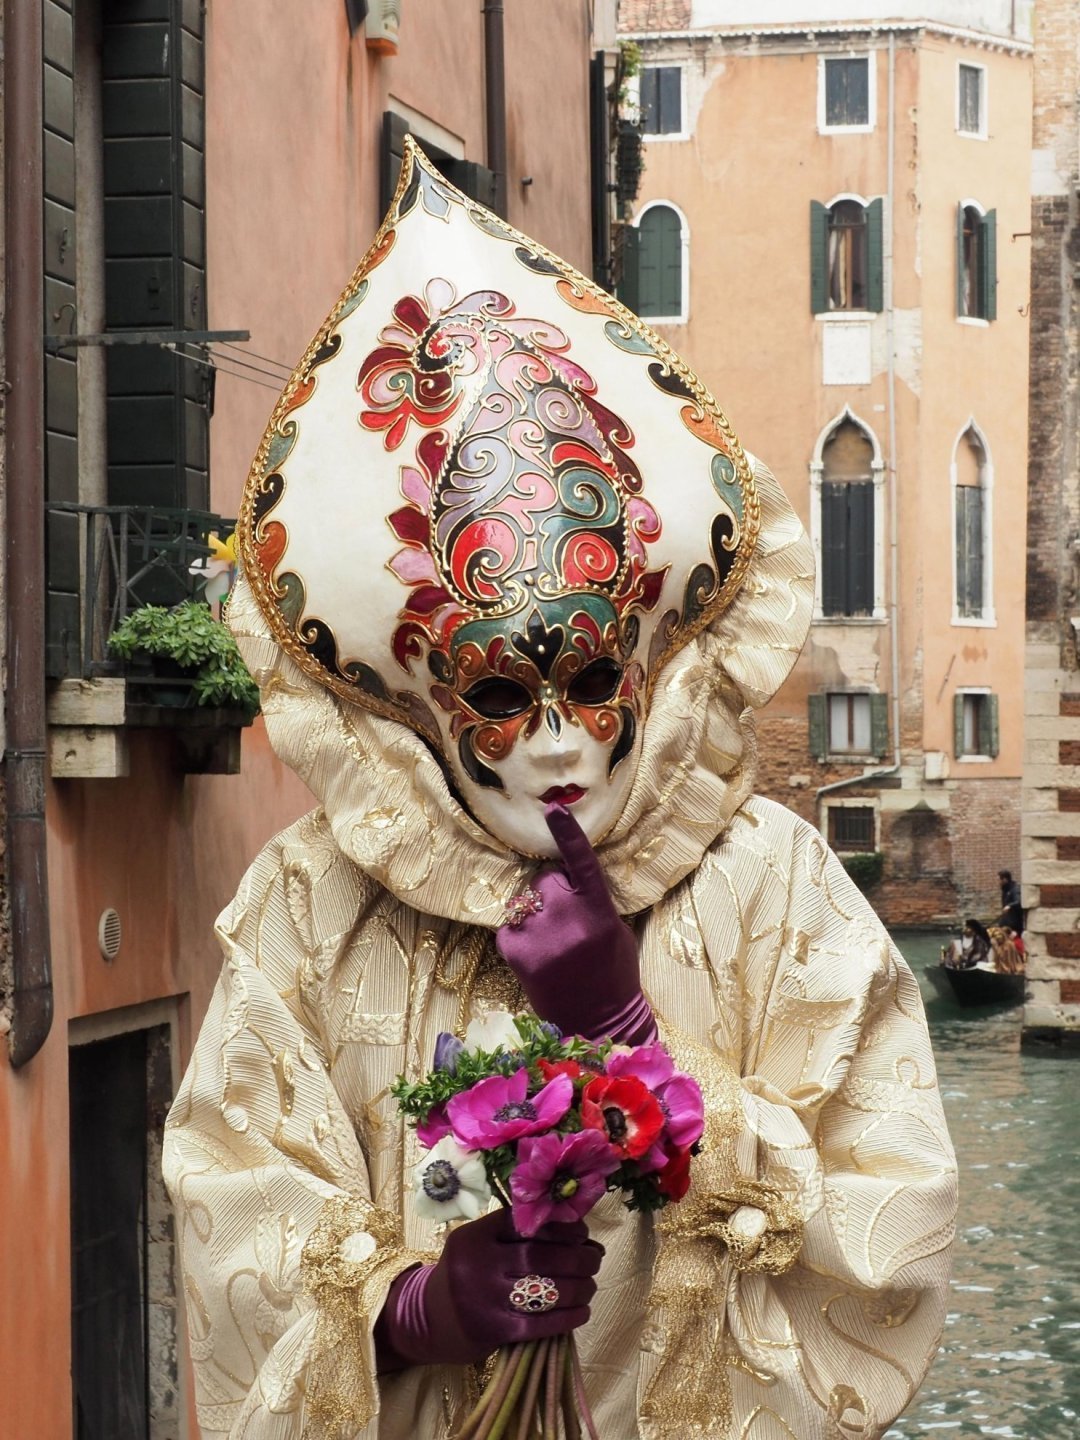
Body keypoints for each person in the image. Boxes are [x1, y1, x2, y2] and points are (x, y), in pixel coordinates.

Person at [163, 139, 958, 1439]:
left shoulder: (774, 889)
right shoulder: (311, 905)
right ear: (425, 709)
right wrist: (415, 1308)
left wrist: (635, 1044)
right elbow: (230, 1203)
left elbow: (898, 1227)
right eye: (496, 697)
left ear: (648, 659)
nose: (554, 748)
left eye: (590, 679)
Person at [998, 868, 1024, 933]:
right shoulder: (1005, 890)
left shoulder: (1015, 889)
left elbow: (1018, 901)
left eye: (999, 880)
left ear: (1004, 880)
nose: (998, 882)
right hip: (1006, 924)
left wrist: (1009, 906)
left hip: (1014, 926)